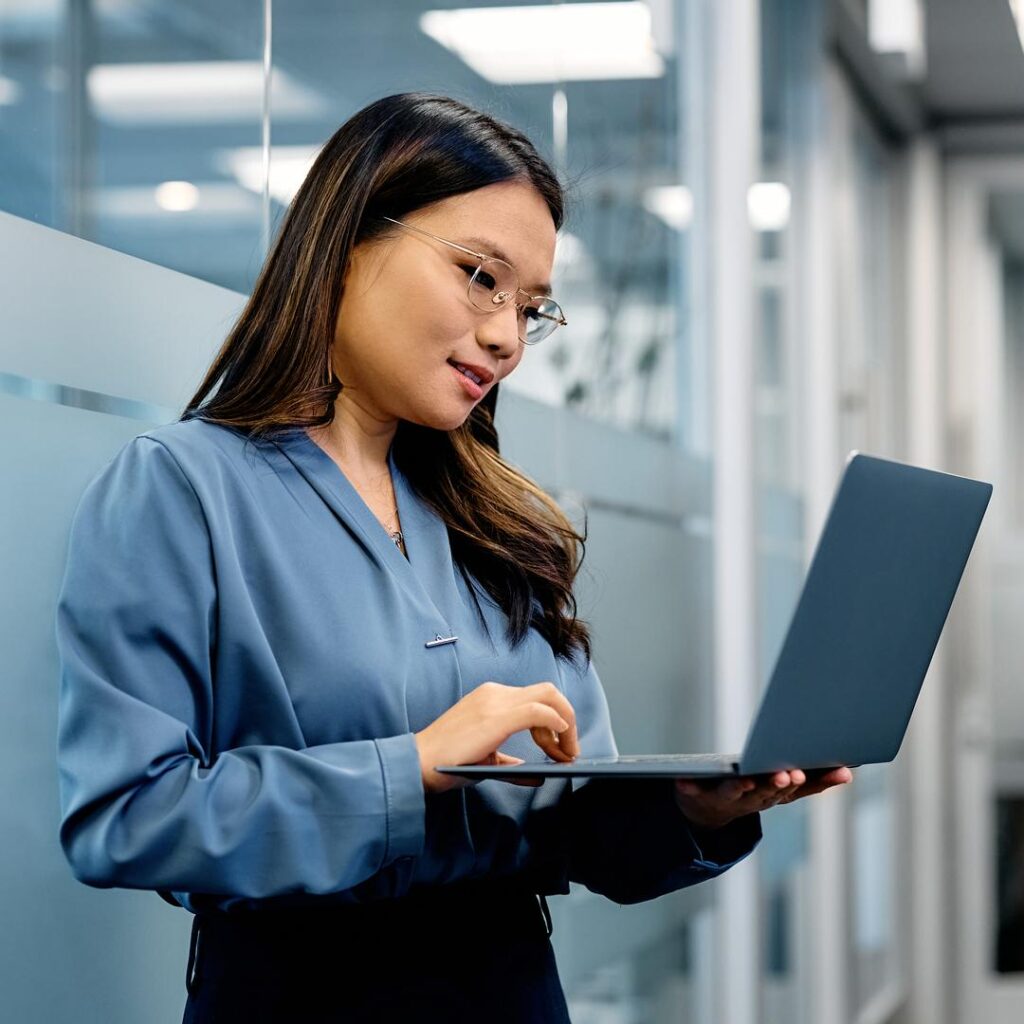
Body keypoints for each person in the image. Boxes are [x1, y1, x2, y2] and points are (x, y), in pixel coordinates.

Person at [54, 91, 853, 1023]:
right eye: (481, 275)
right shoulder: (181, 490)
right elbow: (124, 820)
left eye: (532, 309)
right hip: (300, 997)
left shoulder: (505, 524)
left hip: (510, 988)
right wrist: (408, 768)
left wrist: (693, 809)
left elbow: (568, 825)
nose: (508, 337)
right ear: (349, 240)